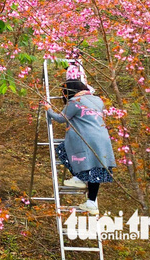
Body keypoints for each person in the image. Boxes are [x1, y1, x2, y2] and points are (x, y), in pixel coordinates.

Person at [45, 80, 116, 215]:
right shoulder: (98, 100)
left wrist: (49, 110)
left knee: (63, 150)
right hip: (102, 138)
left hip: (86, 137)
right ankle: (92, 202)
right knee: (95, 168)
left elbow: (61, 118)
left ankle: (79, 178)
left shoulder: (76, 101)